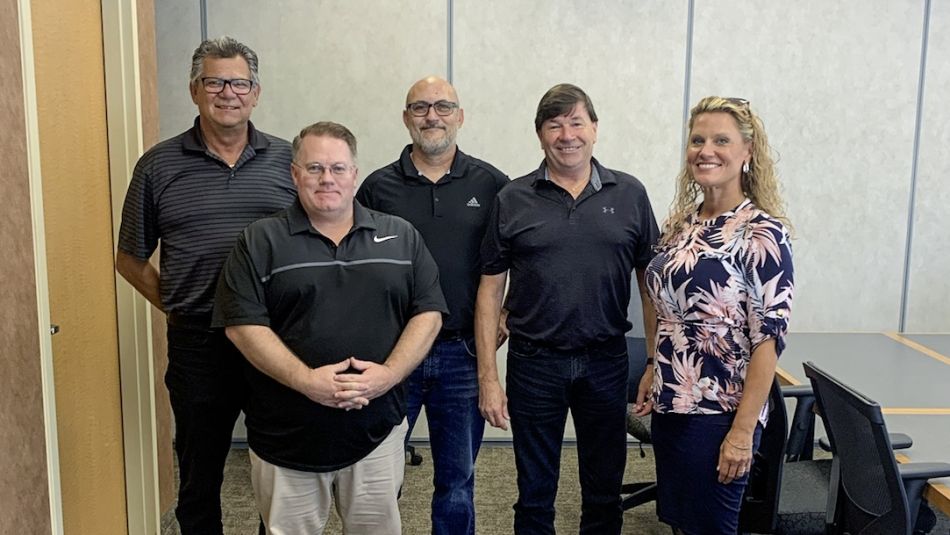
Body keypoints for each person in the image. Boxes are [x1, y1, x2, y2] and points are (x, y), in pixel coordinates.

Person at [212, 121, 447, 535]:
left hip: (376, 433)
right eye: (315, 167)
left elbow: (428, 314)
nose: (327, 179)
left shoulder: (400, 237)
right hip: (286, 437)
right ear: (294, 174)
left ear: (355, 174)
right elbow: (242, 326)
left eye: (338, 168)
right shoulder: (259, 241)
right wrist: (307, 381)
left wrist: (388, 376)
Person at [115, 36, 295, 534]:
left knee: (277, 472)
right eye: (214, 81)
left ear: (256, 93)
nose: (227, 92)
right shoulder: (158, 165)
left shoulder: (289, 161)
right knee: (198, 475)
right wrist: (174, 303)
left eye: (240, 82)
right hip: (198, 344)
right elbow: (129, 257)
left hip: (276, 340)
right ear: (195, 89)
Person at [475, 83, 659, 535]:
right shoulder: (512, 199)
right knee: (535, 493)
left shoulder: (630, 193)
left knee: (603, 491)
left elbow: (652, 285)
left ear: (594, 129)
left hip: (606, 362)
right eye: (554, 125)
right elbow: (489, 289)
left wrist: (656, 360)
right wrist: (488, 378)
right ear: (540, 135)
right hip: (534, 363)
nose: (567, 134)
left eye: (576, 122)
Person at [633, 96, 794, 535]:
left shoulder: (762, 233)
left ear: (747, 152)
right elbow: (661, 308)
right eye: (698, 139)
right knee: (682, 521)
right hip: (672, 404)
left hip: (722, 411)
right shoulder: (682, 224)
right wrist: (651, 363)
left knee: (714, 526)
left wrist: (742, 432)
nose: (706, 150)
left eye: (721, 140)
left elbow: (768, 340)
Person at [356, 75, 509, 535]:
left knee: (457, 483)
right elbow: (351, 267)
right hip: (393, 356)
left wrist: (509, 313)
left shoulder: (494, 184)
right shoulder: (376, 189)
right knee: (381, 480)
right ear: (406, 118)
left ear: (460, 117)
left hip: (462, 354)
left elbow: (526, 257)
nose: (432, 116)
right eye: (420, 107)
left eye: (443, 107)